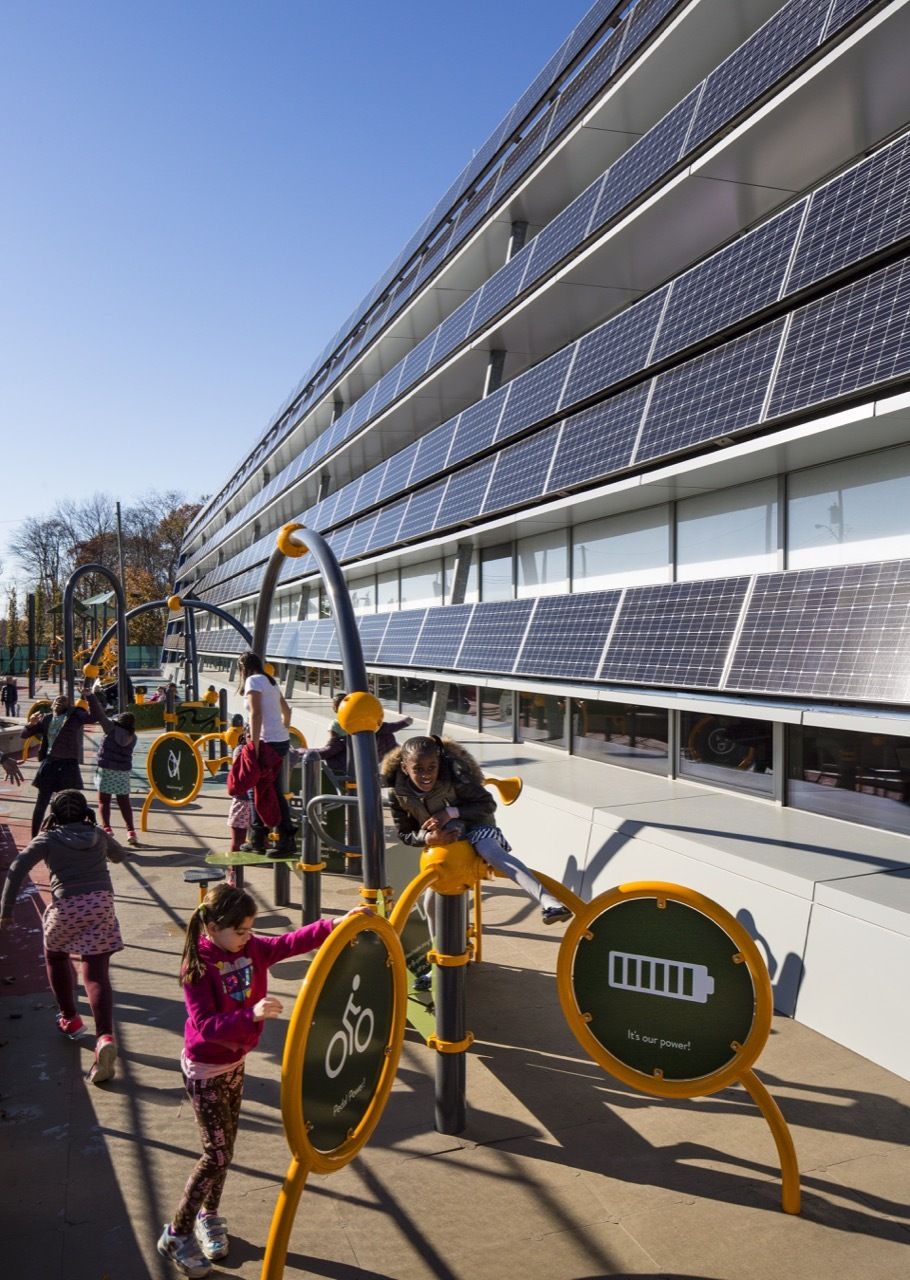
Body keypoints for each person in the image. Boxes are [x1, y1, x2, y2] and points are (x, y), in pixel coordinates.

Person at [157, 883, 368, 1276]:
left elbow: (289, 942)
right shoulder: (198, 966)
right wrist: (250, 1014)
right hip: (205, 1070)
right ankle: (176, 1233)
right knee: (217, 1155)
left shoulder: (251, 948)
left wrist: (335, 924)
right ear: (213, 928)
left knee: (225, 1149)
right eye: (239, 930)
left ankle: (208, 1215)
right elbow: (205, 1026)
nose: (247, 936)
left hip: (234, 1063)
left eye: (250, 929)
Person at [381, 735, 572, 929]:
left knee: (491, 852)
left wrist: (450, 812)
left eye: (432, 767)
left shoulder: (453, 776)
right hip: (445, 841)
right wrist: (427, 837)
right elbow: (405, 833)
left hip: (476, 826)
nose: (426, 774)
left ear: (439, 763)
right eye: (418, 769)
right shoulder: (398, 794)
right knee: (431, 904)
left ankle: (550, 902)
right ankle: (442, 947)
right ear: (404, 768)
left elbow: (487, 804)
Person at [0, 789, 125, 1085]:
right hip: (101, 904)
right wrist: (103, 844)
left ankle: (70, 1018)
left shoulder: (48, 838)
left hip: (66, 905)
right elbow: (120, 856)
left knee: (56, 955)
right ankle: (105, 1036)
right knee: (96, 972)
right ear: (86, 813)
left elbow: (17, 868)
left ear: (54, 815)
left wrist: (6, 911)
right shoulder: (96, 833)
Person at [237, 651, 296, 854]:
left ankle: (262, 840)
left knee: (256, 789)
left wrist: (253, 747)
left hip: (266, 743)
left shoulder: (252, 681)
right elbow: (286, 711)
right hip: (280, 741)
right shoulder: (271, 682)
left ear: (243, 668)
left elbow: (256, 714)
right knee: (271, 790)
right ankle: (272, 838)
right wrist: (283, 729)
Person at [21, 692, 95, 837]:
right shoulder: (47, 718)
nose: (60, 699)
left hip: (68, 766)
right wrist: (31, 723)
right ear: (52, 705)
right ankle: (34, 837)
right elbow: (24, 734)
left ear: (68, 706)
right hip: (49, 764)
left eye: (64, 699)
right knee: (41, 804)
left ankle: (59, 835)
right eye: (57, 699)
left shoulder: (74, 717)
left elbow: (94, 717)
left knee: (63, 804)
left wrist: (89, 697)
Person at [316, 692, 413, 781]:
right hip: (353, 753)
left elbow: (331, 745)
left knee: (386, 735)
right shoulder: (337, 725)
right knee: (386, 735)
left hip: (360, 753)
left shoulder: (343, 723)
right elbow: (333, 744)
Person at [88, 689, 139, 847]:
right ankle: (131, 831)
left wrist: (89, 696)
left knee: (104, 801)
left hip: (106, 770)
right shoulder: (133, 737)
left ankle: (107, 829)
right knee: (124, 802)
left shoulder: (110, 729)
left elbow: (99, 714)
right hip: (122, 772)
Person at [226, 724, 250, 852]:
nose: (253, 738)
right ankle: (234, 863)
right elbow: (239, 772)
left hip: (258, 801)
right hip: (242, 801)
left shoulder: (264, 750)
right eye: (249, 735)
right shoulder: (240, 750)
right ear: (244, 736)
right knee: (238, 841)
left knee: (262, 840)